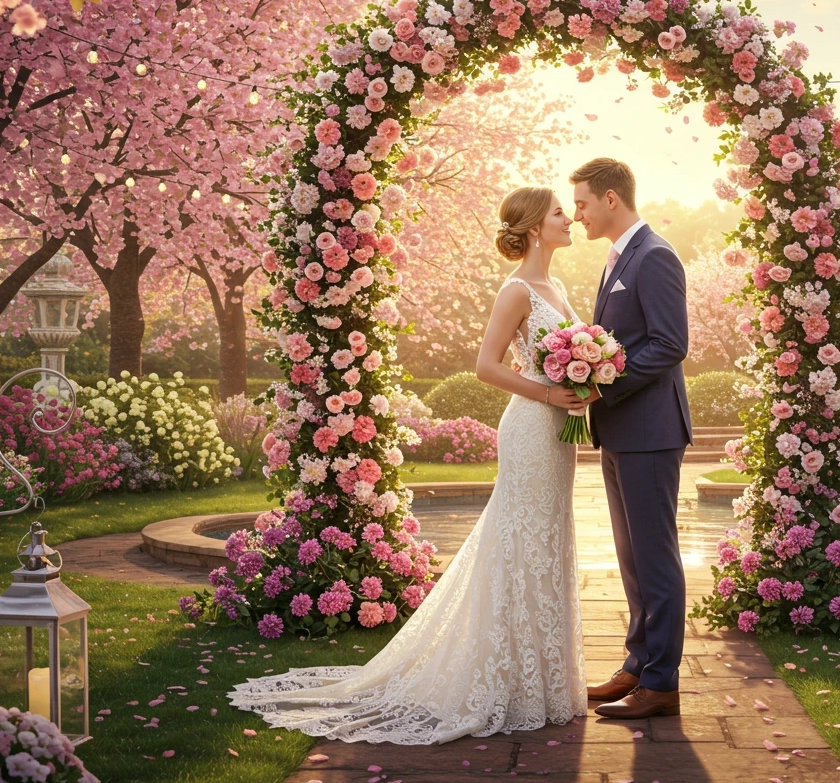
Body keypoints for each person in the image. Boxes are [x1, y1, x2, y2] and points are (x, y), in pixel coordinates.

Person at [228, 187, 590, 744]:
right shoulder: (516, 290)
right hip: (530, 427)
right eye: (559, 212)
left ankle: (540, 682)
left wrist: (585, 382)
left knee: (548, 540)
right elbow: (485, 366)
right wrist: (548, 394)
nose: (569, 219)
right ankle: (504, 682)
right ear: (535, 227)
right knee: (520, 541)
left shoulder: (557, 287)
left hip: (558, 433)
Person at [571, 158, 693, 720]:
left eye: (582, 203)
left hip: (650, 431)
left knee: (654, 557)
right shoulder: (619, 258)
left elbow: (670, 344)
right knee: (632, 558)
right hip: (621, 430)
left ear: (611, 198)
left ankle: (662, 682)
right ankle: (638, 664)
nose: (578, 214)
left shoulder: (655, 255)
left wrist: (601, 385)